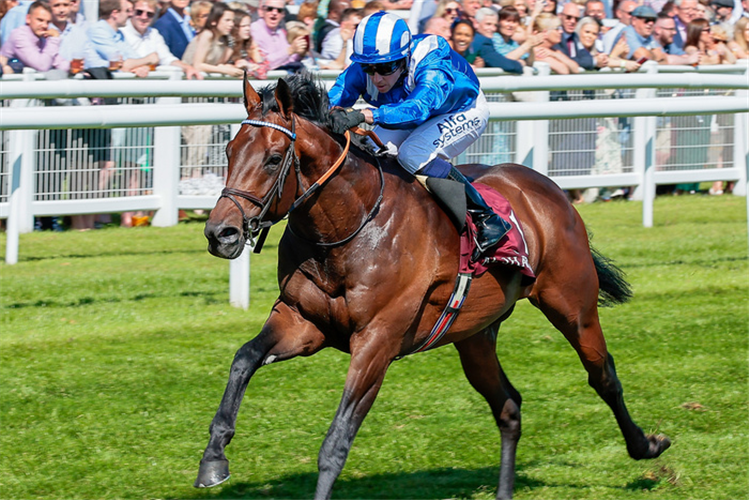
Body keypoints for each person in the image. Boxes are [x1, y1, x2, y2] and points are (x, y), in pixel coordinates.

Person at [328, 12, 511, 257]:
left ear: (404, 58)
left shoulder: (431, 57)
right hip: (409, 111)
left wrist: (365, 115)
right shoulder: (368, 66)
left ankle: (485, 217)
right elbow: (332, 101)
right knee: (370, 151)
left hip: (463, 109)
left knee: (411, 154)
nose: (376, 77)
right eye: (368, 68)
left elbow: (418, 109)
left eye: (384, 67)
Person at [122, 0, 203, 77]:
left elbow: (168, 59)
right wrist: (148, 60)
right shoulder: (121, 32)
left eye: (149, 14)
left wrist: (187, 68)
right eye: (139, 12)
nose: (144, 17)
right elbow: (119, 63)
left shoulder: (154, 33)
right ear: (132, 11)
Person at [0, 1, 70, 73]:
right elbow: (42, 66)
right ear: (28, 19)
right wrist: (54, 39)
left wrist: (73, 67)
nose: (44, 25)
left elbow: (61, 64)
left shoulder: (42, 38)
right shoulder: (19, 36)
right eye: (40, 20)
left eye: (48, 22)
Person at [181, 2, 242, 75]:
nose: (231, 24)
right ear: (213, 21)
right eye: (227, 20)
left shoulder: (225, 39)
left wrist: (236, 70)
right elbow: (197, 66)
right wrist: (225, 70)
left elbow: (218, 65)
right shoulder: (207, 35)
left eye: (232, 21)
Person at [251, 0, 307, 69]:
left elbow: (287, 60)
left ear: (283, 14)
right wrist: (290, 50)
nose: (274, 13)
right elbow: (264, 63)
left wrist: (300, 53)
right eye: (270, 9)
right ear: (262, 11)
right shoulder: (254, 30)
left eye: (279, 10)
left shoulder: (280, 31)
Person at [556, 3, 596, 69]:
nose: (572, 21)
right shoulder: (555, 36)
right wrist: (594, 61)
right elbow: (566, 59)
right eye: (568, 17)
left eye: (576, 19)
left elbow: (585, 55)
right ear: (560, 16)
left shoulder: (575, 37)